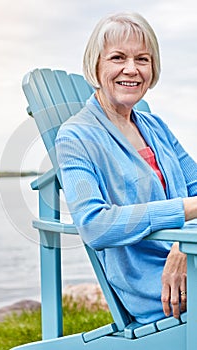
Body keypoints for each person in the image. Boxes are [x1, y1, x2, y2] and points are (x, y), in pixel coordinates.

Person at [55, 12, 197, 324]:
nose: (131, 69)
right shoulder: (75, 137)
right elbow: (95, 224)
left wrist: (184, 245)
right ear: (96, 65)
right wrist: (185, 213)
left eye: (142, 59)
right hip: (157, 286)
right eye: (118, 57)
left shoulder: (155, 126)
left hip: (191, 261)